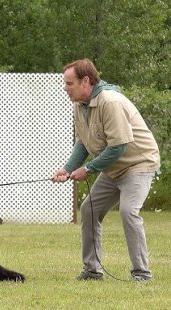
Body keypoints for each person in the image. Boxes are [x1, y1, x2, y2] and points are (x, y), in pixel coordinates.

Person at [52, 59, 160, 282]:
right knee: (89, 210)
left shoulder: (110, 102)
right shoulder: (79, 106)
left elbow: (118, 147)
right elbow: (82, 144)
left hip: (138, 164)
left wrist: (88, 169)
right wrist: (67, 169)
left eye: (69, 83)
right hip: (113, 168)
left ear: (86, 81)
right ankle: (92, 271)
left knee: (128, 211)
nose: (65, 88)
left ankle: (142, 273)